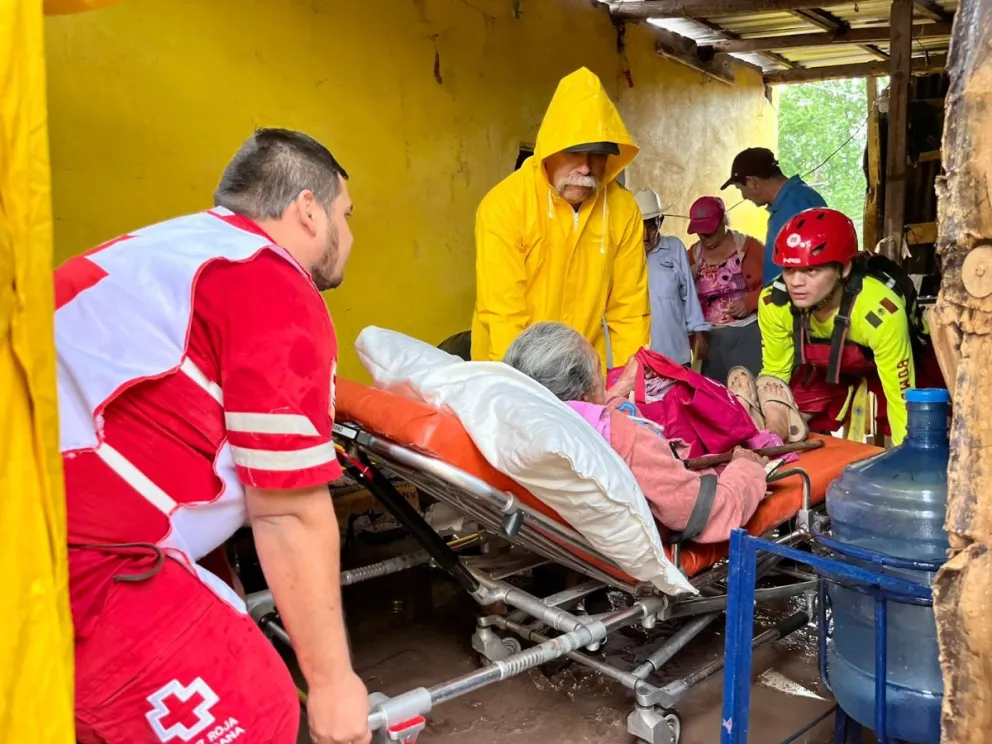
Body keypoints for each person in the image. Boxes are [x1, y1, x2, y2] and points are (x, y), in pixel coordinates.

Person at [57, 129, 370, 744]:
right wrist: (334, 686)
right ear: (308, 210)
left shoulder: (165, 248)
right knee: (260, 709)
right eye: (346, 215)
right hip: (79, 562)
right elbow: (288, 514)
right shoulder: (267, 283)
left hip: (56, 524)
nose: (351, 237)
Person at [504, 322, 769, 544]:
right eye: (600, 372)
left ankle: (749, 411)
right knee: (730, 432)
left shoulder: (514, 423)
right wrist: (745, 469)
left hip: (554, 534)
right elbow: (705, 513)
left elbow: (578, 413)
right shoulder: (625, 440)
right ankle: (759, 417)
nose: (604, 378)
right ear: (584, 394)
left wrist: (619, 390)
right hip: (636, 538)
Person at [471, 67, 650, 369]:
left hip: (581, 374)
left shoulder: (623, 210)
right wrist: (522, 390)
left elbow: (630, 311)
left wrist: (627, 381)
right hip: (509, 369)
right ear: (550, 150)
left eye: (597, 154)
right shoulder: (505, 205)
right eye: (573, 154)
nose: (585, 168)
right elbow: (503, 315)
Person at [753, 207, 943, 445]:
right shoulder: (774, 302)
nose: (796, 282)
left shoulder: (880, 311)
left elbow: (901, 399)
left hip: (892, 366)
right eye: (789, 270)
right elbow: (776, 372)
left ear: (844, 268)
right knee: (793, 403)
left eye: (811, 269)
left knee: (922, 425)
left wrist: (906, 467)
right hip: (826, 370)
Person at [686, 196, 764, 384]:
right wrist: (696, 335)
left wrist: (749, 302)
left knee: (746, 390)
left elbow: (775, 287)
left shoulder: (749, 248)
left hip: (745, 334)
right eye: (700, 233)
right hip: (709, 339)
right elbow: (684, 298)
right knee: (715, 396)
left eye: (710, 232)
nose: (705, 237)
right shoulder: (693, 255)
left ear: (723, 222)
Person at [721, 147, 826, 282]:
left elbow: (811, 269)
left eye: (741, 189)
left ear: (752, 182)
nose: (744, 196)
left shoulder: (797, 206)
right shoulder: (789, 202)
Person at [634, 188, 710, 367]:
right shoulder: (624, 254)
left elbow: (689, 294)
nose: (645, 236)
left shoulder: (674, 248)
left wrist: (699, 331)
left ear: (661, 221)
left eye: (651, 226)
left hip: (674, 353)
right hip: (638, 356)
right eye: (640, 225)